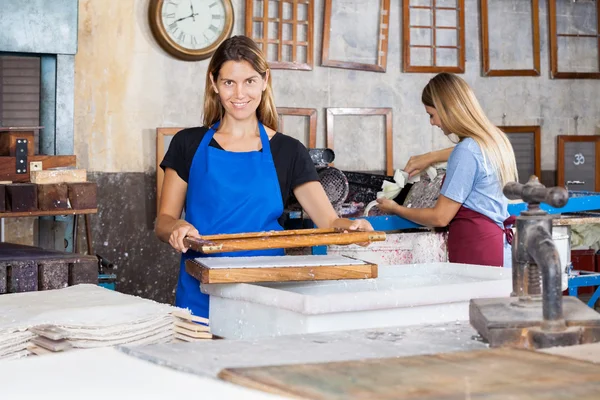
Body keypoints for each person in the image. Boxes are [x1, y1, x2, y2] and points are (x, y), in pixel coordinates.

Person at [155, 35, 373, 318]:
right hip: (201, 291)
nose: (239, 94)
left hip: (266, 291)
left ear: (264, 80)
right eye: (228, 82)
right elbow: (163, 221)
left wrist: (353, 229)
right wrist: (177, 227)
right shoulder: (188, 144)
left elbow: (329, 222)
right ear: (214, 83)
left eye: (249, 81)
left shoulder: (288, 151)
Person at [376, 73, 518, 268]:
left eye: (431, 115)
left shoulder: (467, 150)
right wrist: (431, 157)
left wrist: (395, 209)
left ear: (447, 109)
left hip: (478, 252)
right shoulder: (496, 141)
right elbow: (472, 153)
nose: (432, 122)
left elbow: (440, 217)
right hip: (499, 248)